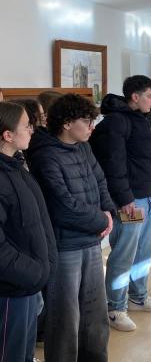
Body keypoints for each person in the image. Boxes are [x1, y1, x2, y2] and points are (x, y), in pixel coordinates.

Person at [28, 94, 114, 362]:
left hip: (91, 239)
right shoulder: (45, 155)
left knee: (95, 313)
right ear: (66, 123)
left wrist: (108, 211)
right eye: (86, 121)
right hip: (65, 246)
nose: (92, 127)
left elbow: (100, 180)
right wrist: (102, 220)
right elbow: (63, 205)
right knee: (65, 317)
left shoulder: (83, 147)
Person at [89, 75, 151, 332]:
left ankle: (138, 296)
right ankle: (115, 307)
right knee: (124, 254)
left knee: (145, 252)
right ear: (135, 96)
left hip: (150, 198)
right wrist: (124, 199)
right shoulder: (116, 122)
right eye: (149, 96)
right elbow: (113, 164)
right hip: (131, 202)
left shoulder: (149, 119)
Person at [0, 102, 56, 362]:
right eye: (26, 126)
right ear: (8, 135)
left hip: (28, 283)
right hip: (12, 287)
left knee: (25, 353)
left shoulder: (16, 165)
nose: (32, 130)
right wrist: (33, 272)